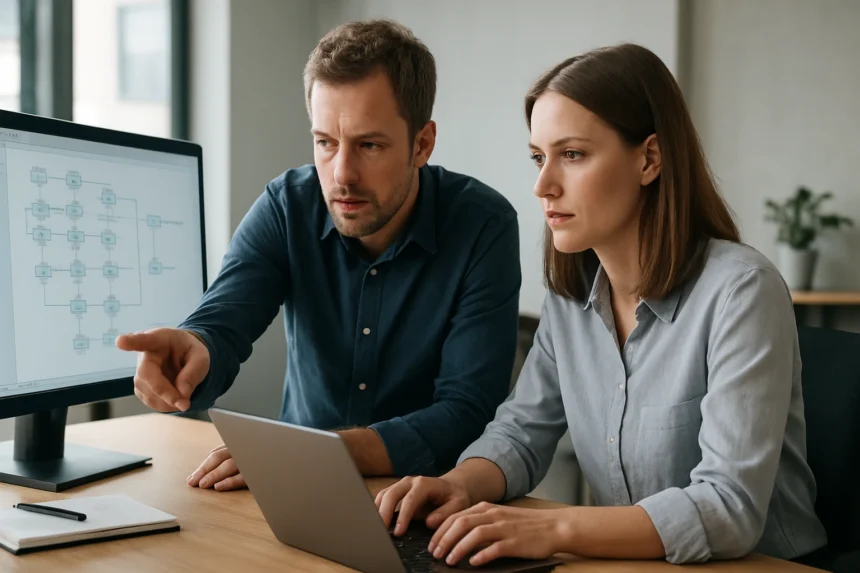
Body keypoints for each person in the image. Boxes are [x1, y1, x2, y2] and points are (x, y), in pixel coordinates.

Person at [375, 43, 828, 568]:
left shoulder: (743, 291)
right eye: (538, 157)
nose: (543, 185)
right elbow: (521, 433)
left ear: (649, 159)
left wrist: (554, 527)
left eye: (572, 155)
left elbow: (729, 507)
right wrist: (457, 485)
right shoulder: (570, 300)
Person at [116, 19, 521, 489]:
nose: (342, 174)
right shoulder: (288, 206)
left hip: (428, 500)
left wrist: (306, 452)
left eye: (369, 145)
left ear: (422, 144)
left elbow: (467, 413)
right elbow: (223, 324)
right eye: (325, 143)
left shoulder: (483, 225)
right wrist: (196, 348)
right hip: (299, 488)